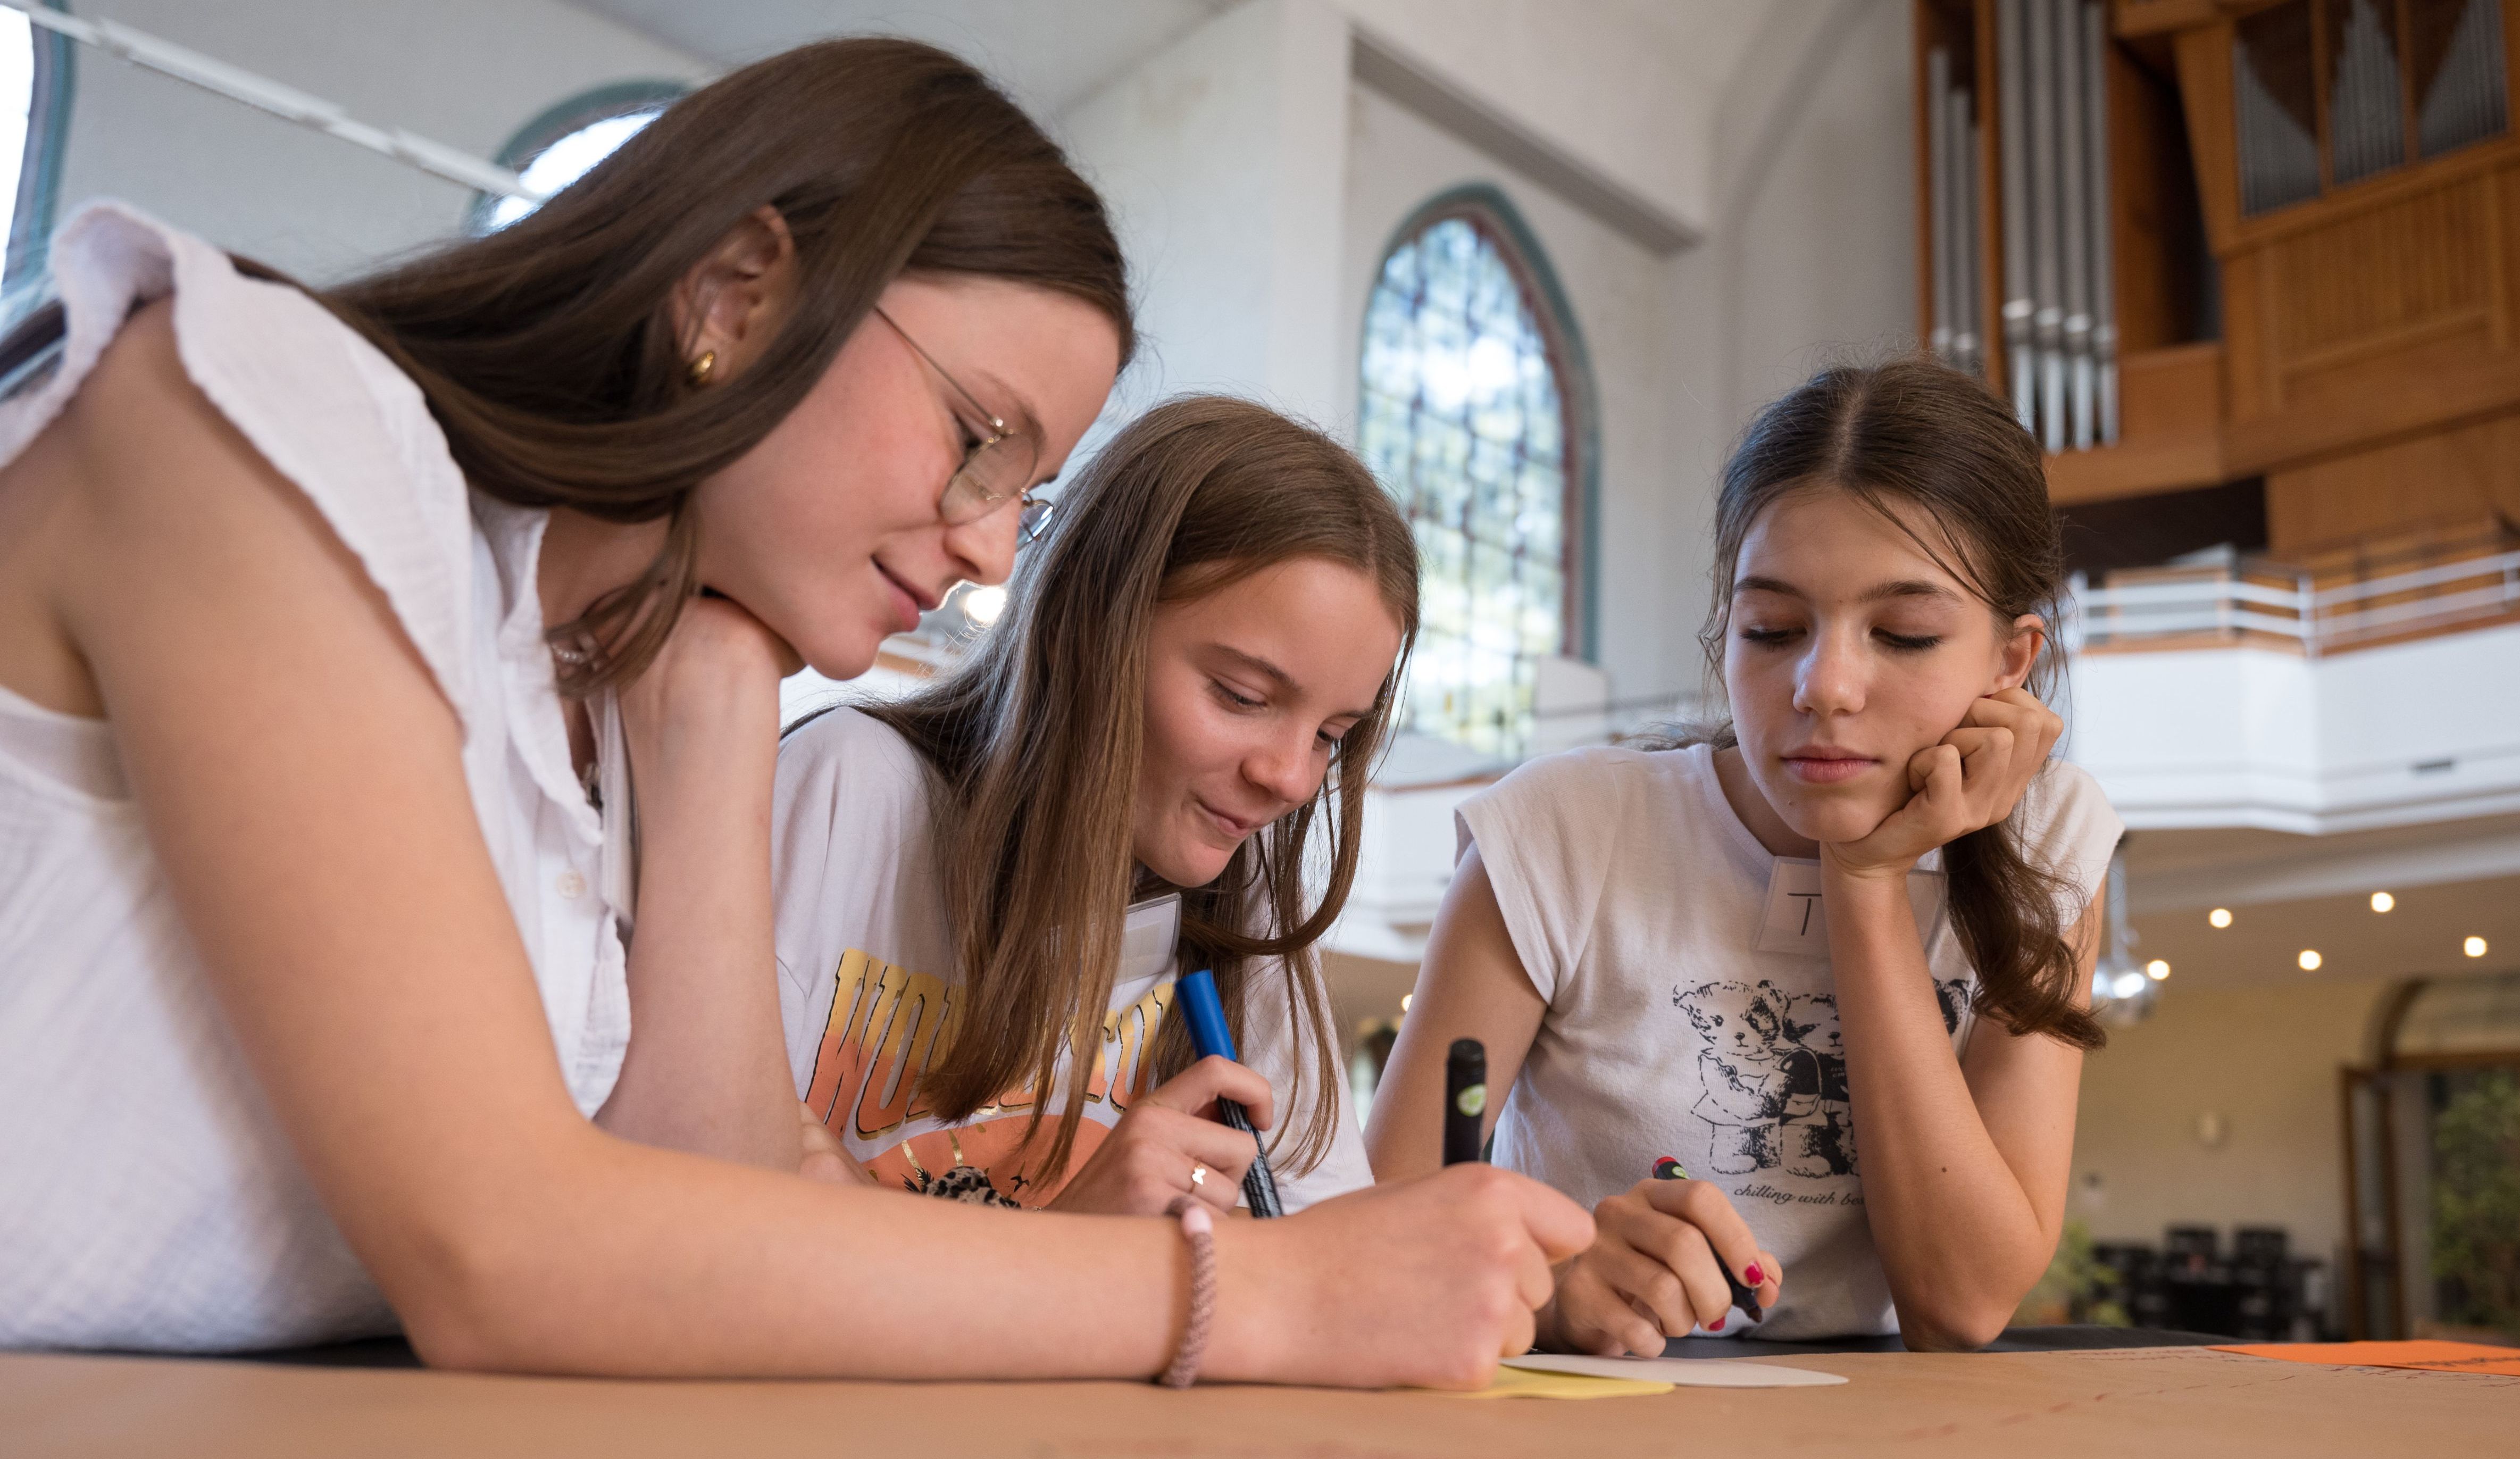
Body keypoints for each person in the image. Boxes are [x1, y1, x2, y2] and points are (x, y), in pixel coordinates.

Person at [0, 37, 1587, 1387]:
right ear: (740, 293)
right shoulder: (251, 418)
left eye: (1019, 495)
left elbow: (715, 1189)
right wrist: (1267, 1301)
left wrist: (711, 703)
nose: (981, 552)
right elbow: (505, 1249)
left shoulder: (614, 681)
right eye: (982, 438)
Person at [1365, 357, 2122, 1354]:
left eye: (1901, 634)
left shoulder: (2049, 843)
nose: (1826, 684)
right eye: (1773, 629)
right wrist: (1553, 1285)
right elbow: (1374, 1244)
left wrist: (1863, 880)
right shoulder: (1566, 832)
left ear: (2010, 662)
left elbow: (1960, 1303)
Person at [767, 396, 1407, 1218]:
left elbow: (1321, 1254)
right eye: (1242, 695)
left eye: (1332, 734)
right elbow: (718, 1214)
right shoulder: (849, 791)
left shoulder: (1244, 908)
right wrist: (1078, 1246)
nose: (1290, 778)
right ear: (1089, 624)